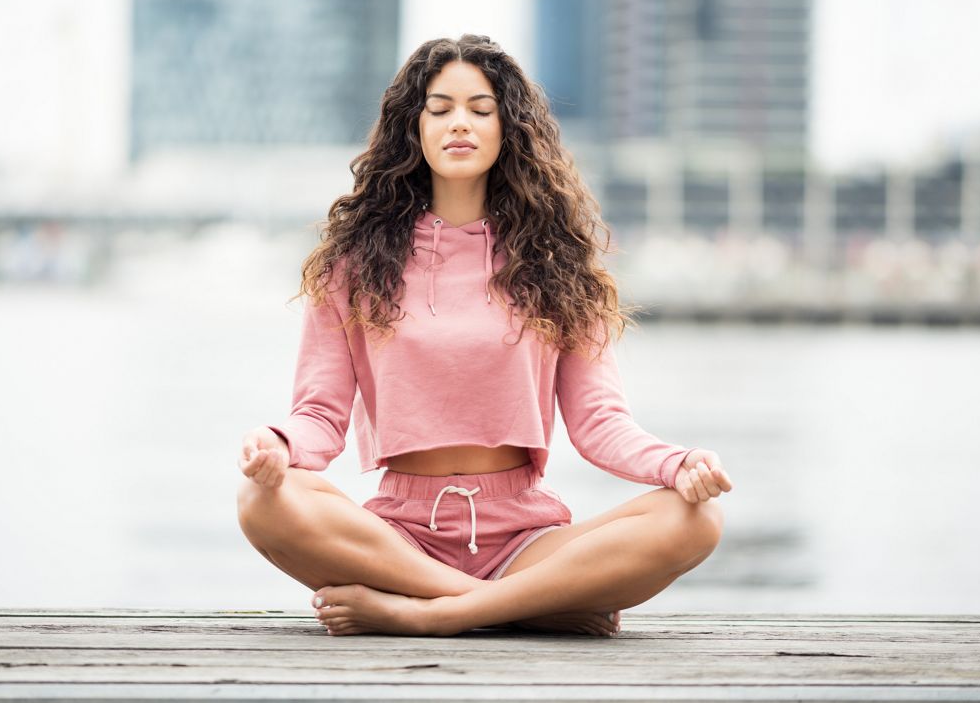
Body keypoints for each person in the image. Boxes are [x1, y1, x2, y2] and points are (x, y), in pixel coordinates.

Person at [236, 34, 732, 638]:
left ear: (509, 127)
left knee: (695, 520)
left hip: (526, 538)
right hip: (399, 538)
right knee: (262, 501)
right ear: (412, 129)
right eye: (440, 109)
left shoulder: (562, 267)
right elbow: (320, 415)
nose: (459, 124)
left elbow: (600, 423)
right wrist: (277, 445)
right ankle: (523, 606)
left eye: (481, 108)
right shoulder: (352, 266)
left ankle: (427, 614)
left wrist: (677, 464)